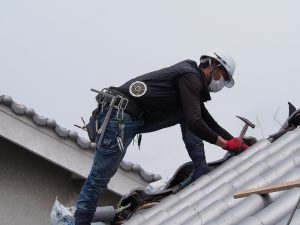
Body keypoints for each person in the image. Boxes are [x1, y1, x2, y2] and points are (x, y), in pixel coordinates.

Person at [74, 50, 249, 225]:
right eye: (224, 77)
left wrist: (237, 143)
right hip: (120, 117)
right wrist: (226, 144)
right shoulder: (190, 77)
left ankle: (200, 166)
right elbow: (195, 122)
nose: (221, 83)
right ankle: (80, 221)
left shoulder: (191, 80)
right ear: (214, 67)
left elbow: (207, 120)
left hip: (133, 118)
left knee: (185, 114)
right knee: (100, 177)